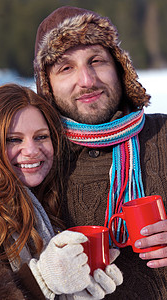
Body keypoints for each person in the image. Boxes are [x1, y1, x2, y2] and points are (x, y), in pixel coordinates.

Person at [32, 6, 167, 299]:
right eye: (66, 67)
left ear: (120, 68)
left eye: (96, 61)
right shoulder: (33, 157)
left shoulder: (163, 135)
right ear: (47, 85)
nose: (87, 80)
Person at [0, 83, 122, 300]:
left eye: (41, 137)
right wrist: (39, 281)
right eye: (13, 139)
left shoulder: (42, 198)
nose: (32, 151)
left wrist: (70, 290)